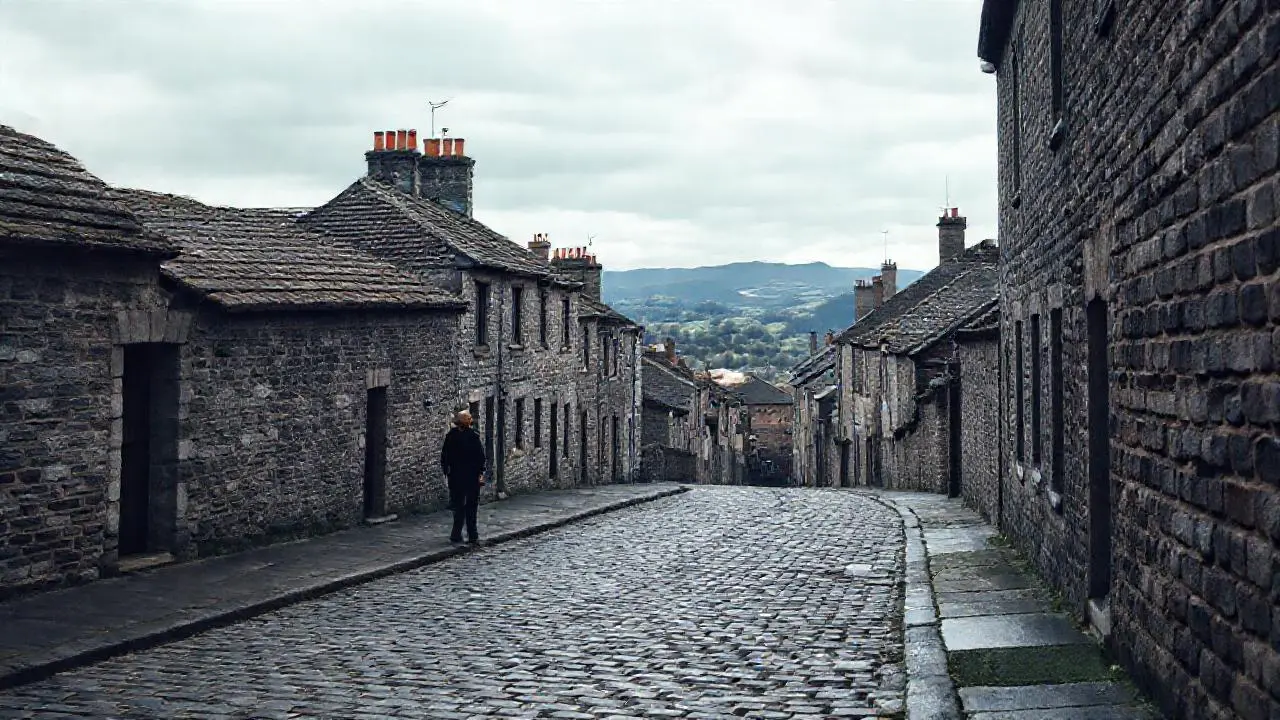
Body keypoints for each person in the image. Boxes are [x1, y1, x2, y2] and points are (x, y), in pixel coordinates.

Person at [439, 409, 487, 544]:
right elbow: (445, 456)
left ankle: (466, 534)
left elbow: (480, 457)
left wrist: (480, 472)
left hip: (465, 476)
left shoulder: (466, 436)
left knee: (465, 506)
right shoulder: (457, 436)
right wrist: (447, 470)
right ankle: (464, 534)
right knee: (463, 506)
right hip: (462, 476)